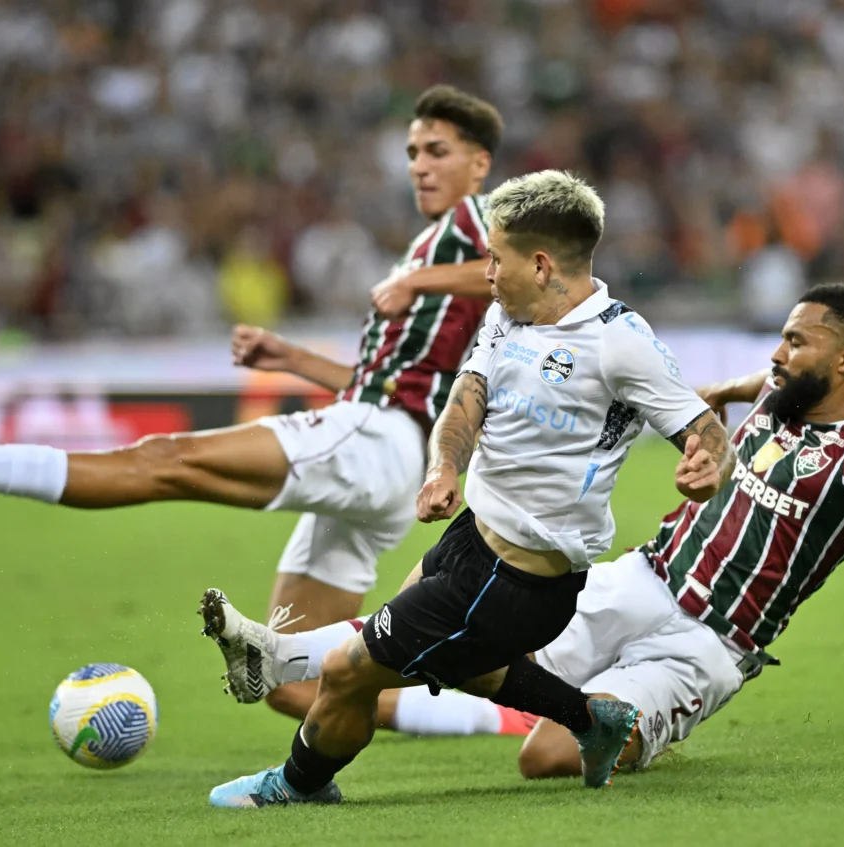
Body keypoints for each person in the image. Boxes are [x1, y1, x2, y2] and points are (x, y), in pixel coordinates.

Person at [196, 283, 844, 780]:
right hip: (640, 578)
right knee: (476, 636)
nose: (778, 355)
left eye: (796, 342)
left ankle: (627, 720)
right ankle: (289, 657)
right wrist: (721, 393)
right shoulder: (780, 398)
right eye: (781, 340)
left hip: (711, 642)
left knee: (544, 756)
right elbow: (758, 384)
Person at [0, 85, 502, 652]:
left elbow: (522, 265)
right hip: (389, 451)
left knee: (165, 461)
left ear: (478, 163)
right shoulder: (432, 245)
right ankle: (512, 713)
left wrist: (415, 279)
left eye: (437, 151)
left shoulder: (475, 222)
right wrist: (290, 358)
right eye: (413, 151)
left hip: (376, 436)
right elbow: (393, 376)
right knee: (295, 672)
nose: (419, 164)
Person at [198, 169, 736, 808]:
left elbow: (705, 431)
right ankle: (595, 720)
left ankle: (295, 781)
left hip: (520, 583)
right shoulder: (510, 316)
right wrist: (443, 468)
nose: (485, 271)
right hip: (471, 538)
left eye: (494, 257)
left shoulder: (620, 344)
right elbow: (467, 395)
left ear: (540, 264)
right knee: (451, 658)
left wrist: (708, 467)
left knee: (352, 670)